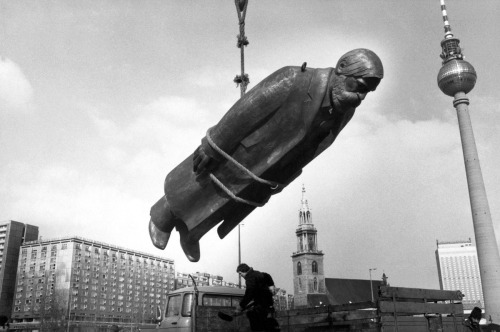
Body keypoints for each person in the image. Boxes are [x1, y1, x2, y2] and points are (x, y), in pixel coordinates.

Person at [149, 49, 384, 262]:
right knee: (200, 185)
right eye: (360, 87)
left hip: (272, 169)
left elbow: (314, 149)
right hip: (245, 151)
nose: (362, 97)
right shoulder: (294, 79)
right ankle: (162, 217)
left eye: (368, 93)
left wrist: (284, 178)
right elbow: (244, 111)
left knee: (227, 204)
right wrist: (213, 144)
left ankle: (192, 233)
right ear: (342, 68)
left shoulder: (344, 112)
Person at [236, 263, 277, 331]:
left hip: (261, 304)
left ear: (243, 270)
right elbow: (267, 275)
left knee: (254, 320)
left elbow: (249, 293)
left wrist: (241, 306)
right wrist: (271, 285)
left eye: (240, 273)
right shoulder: (257, 273)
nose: (240, 276)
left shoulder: (250, 278)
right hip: (268, 303)